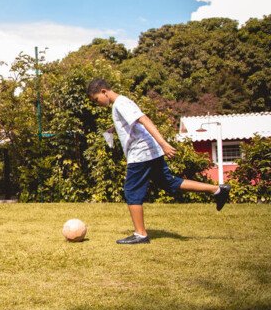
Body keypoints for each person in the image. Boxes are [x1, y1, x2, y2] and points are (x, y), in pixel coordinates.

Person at [87, 78, 230, 244]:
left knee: (131, 192)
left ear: (104, 91)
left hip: (141, 153)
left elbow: (144, 120)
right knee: (169, 182)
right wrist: (113, 129)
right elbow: (131, 124)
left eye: (96, 99)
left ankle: (140, 234)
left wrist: (164, 144)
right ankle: (218, 190)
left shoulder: (120, 103)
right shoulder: (120, 104)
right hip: (150, 151)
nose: (98, 103)